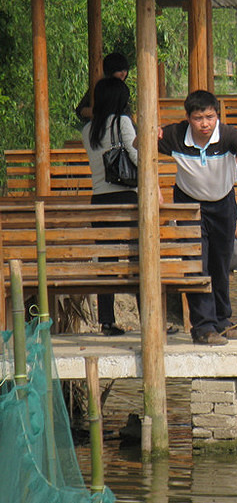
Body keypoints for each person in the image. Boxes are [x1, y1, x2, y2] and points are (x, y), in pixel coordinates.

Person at [156, 90, 237, 346]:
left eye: (210, 117)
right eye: (198, 118)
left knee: (220, 265)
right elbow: (139, 147)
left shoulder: (228, 134)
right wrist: (148, 134)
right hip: (189, 206)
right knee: (196, 266)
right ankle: (203, 328)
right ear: (188, 118)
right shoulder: (175, 135)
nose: (205, 124)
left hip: (223, 205)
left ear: (217, 116)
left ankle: (223, 322)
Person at [81, 77, 137, 336]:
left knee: (107, 260)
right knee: (138, 258)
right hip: (125, 199)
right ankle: (149, 319)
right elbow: (137, 157)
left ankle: (106, 321)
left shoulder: (88, 130)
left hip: (99, 200)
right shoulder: (122, 122)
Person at [76, 52, 131, 124]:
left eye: (125, 70)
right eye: (119, 70)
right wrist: (103, 113)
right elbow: (81, 110)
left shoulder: (123, 89)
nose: (123, 74)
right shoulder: (101, 88)